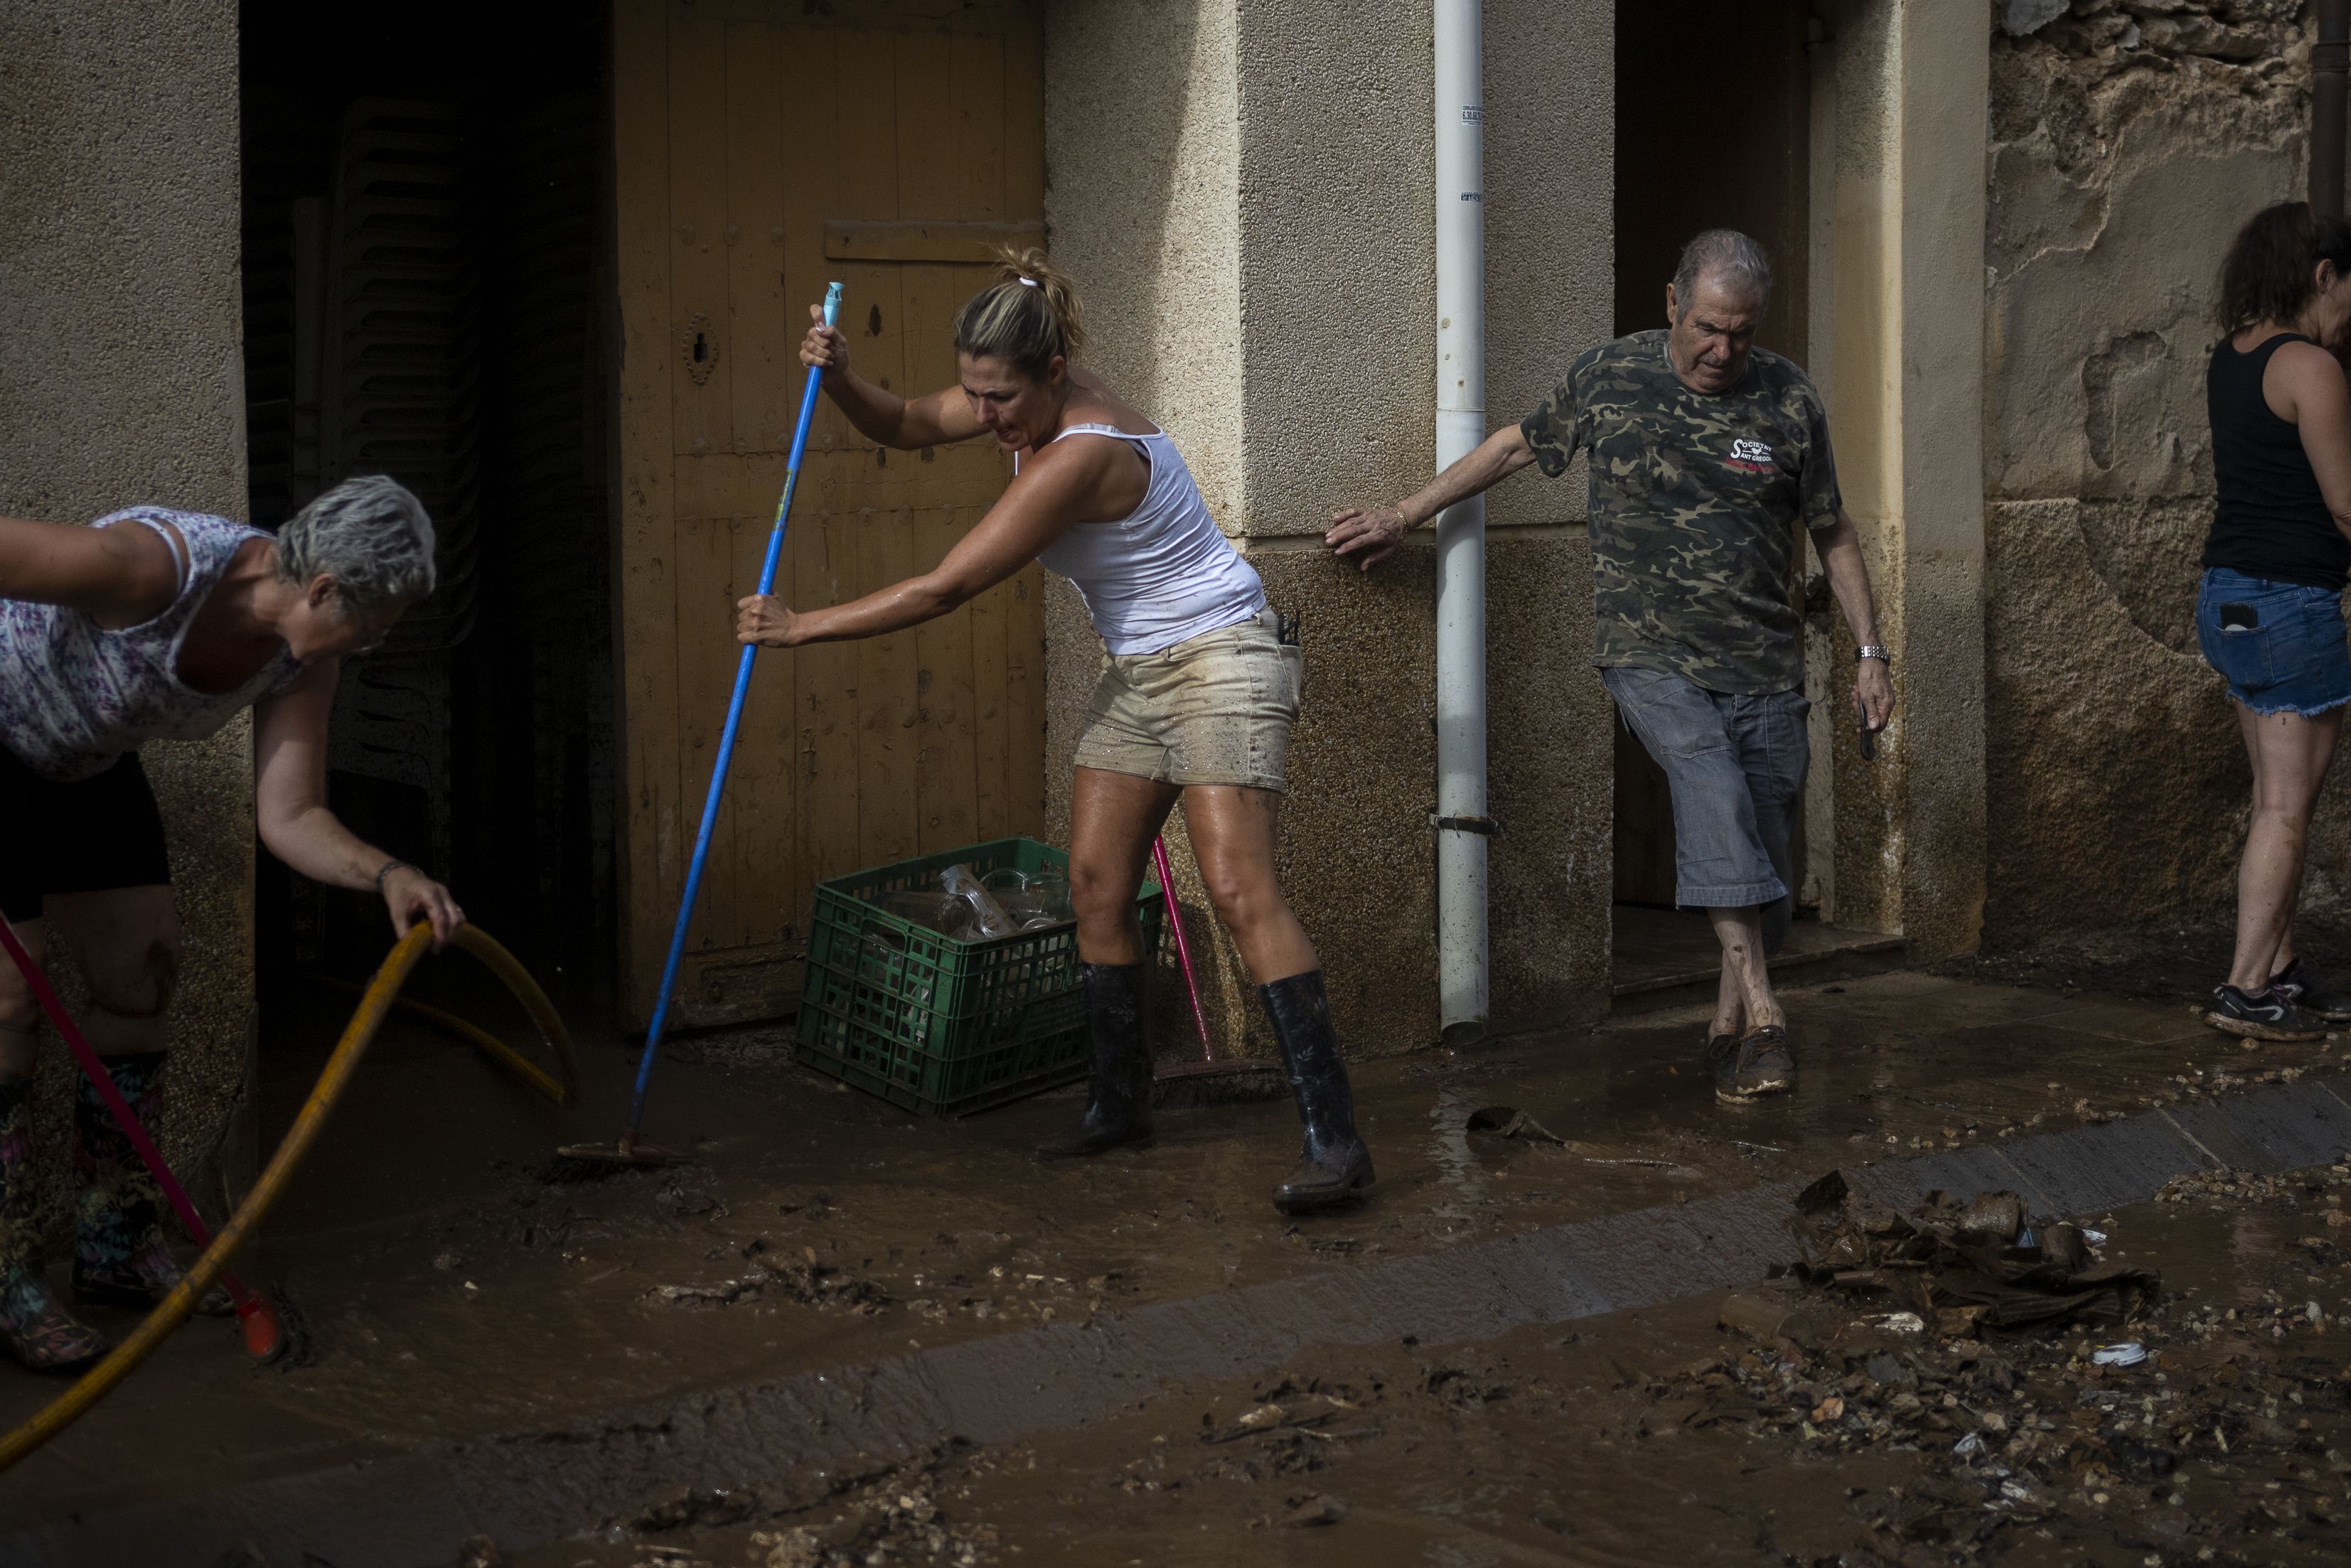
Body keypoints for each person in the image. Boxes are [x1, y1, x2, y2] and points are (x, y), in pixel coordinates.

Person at [734, 254, 1372, 1213]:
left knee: (1240, 889)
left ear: (1057, 372)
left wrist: (801, 626)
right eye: (978, 394)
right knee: (1095, 884)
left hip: (1223, 656)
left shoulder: (1080, 451)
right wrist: (836, 379)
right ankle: (1120, 1106)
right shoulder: (1020, 402)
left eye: (1002, 400)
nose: (987, 419)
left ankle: (1338, 1143)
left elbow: (947, 584)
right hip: (1141, 668)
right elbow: (907, 422)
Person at [0, 474, 465, 1370]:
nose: (374, 643)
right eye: (372, 624)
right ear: (323, 591)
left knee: (141, 975)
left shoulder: (302, 656)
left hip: (84, 755)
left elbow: (291, 816)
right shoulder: (157, 569)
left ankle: (114, 1243)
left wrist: (388, 873)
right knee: (4, 1001)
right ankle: (8, 1281)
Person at [1325, 229, 1889, 1105]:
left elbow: (1832, 530)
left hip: (1765, 663)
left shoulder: (1788, 400)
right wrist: (1405, 513)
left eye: (1740, 333)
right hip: (1649, 653)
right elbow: (1514, 446)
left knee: (1768, 861)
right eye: (1706, 327)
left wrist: (1867, 653)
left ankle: (1726, 1026)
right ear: (1672, 304)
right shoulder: (1612, 376)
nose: (1721, 350)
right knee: (1713, 792)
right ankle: (1771, 1018)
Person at [2195, 204, 2351, 1041]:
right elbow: (2350, 501)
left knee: (2273, 799)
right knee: (2287, 811)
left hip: (2229, 599)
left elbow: (2310, 426)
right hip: (2290, 605)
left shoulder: (2238, 358)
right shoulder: (2309, 366)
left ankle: (2281, 968)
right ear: (2321, 275)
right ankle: (2244, 986)